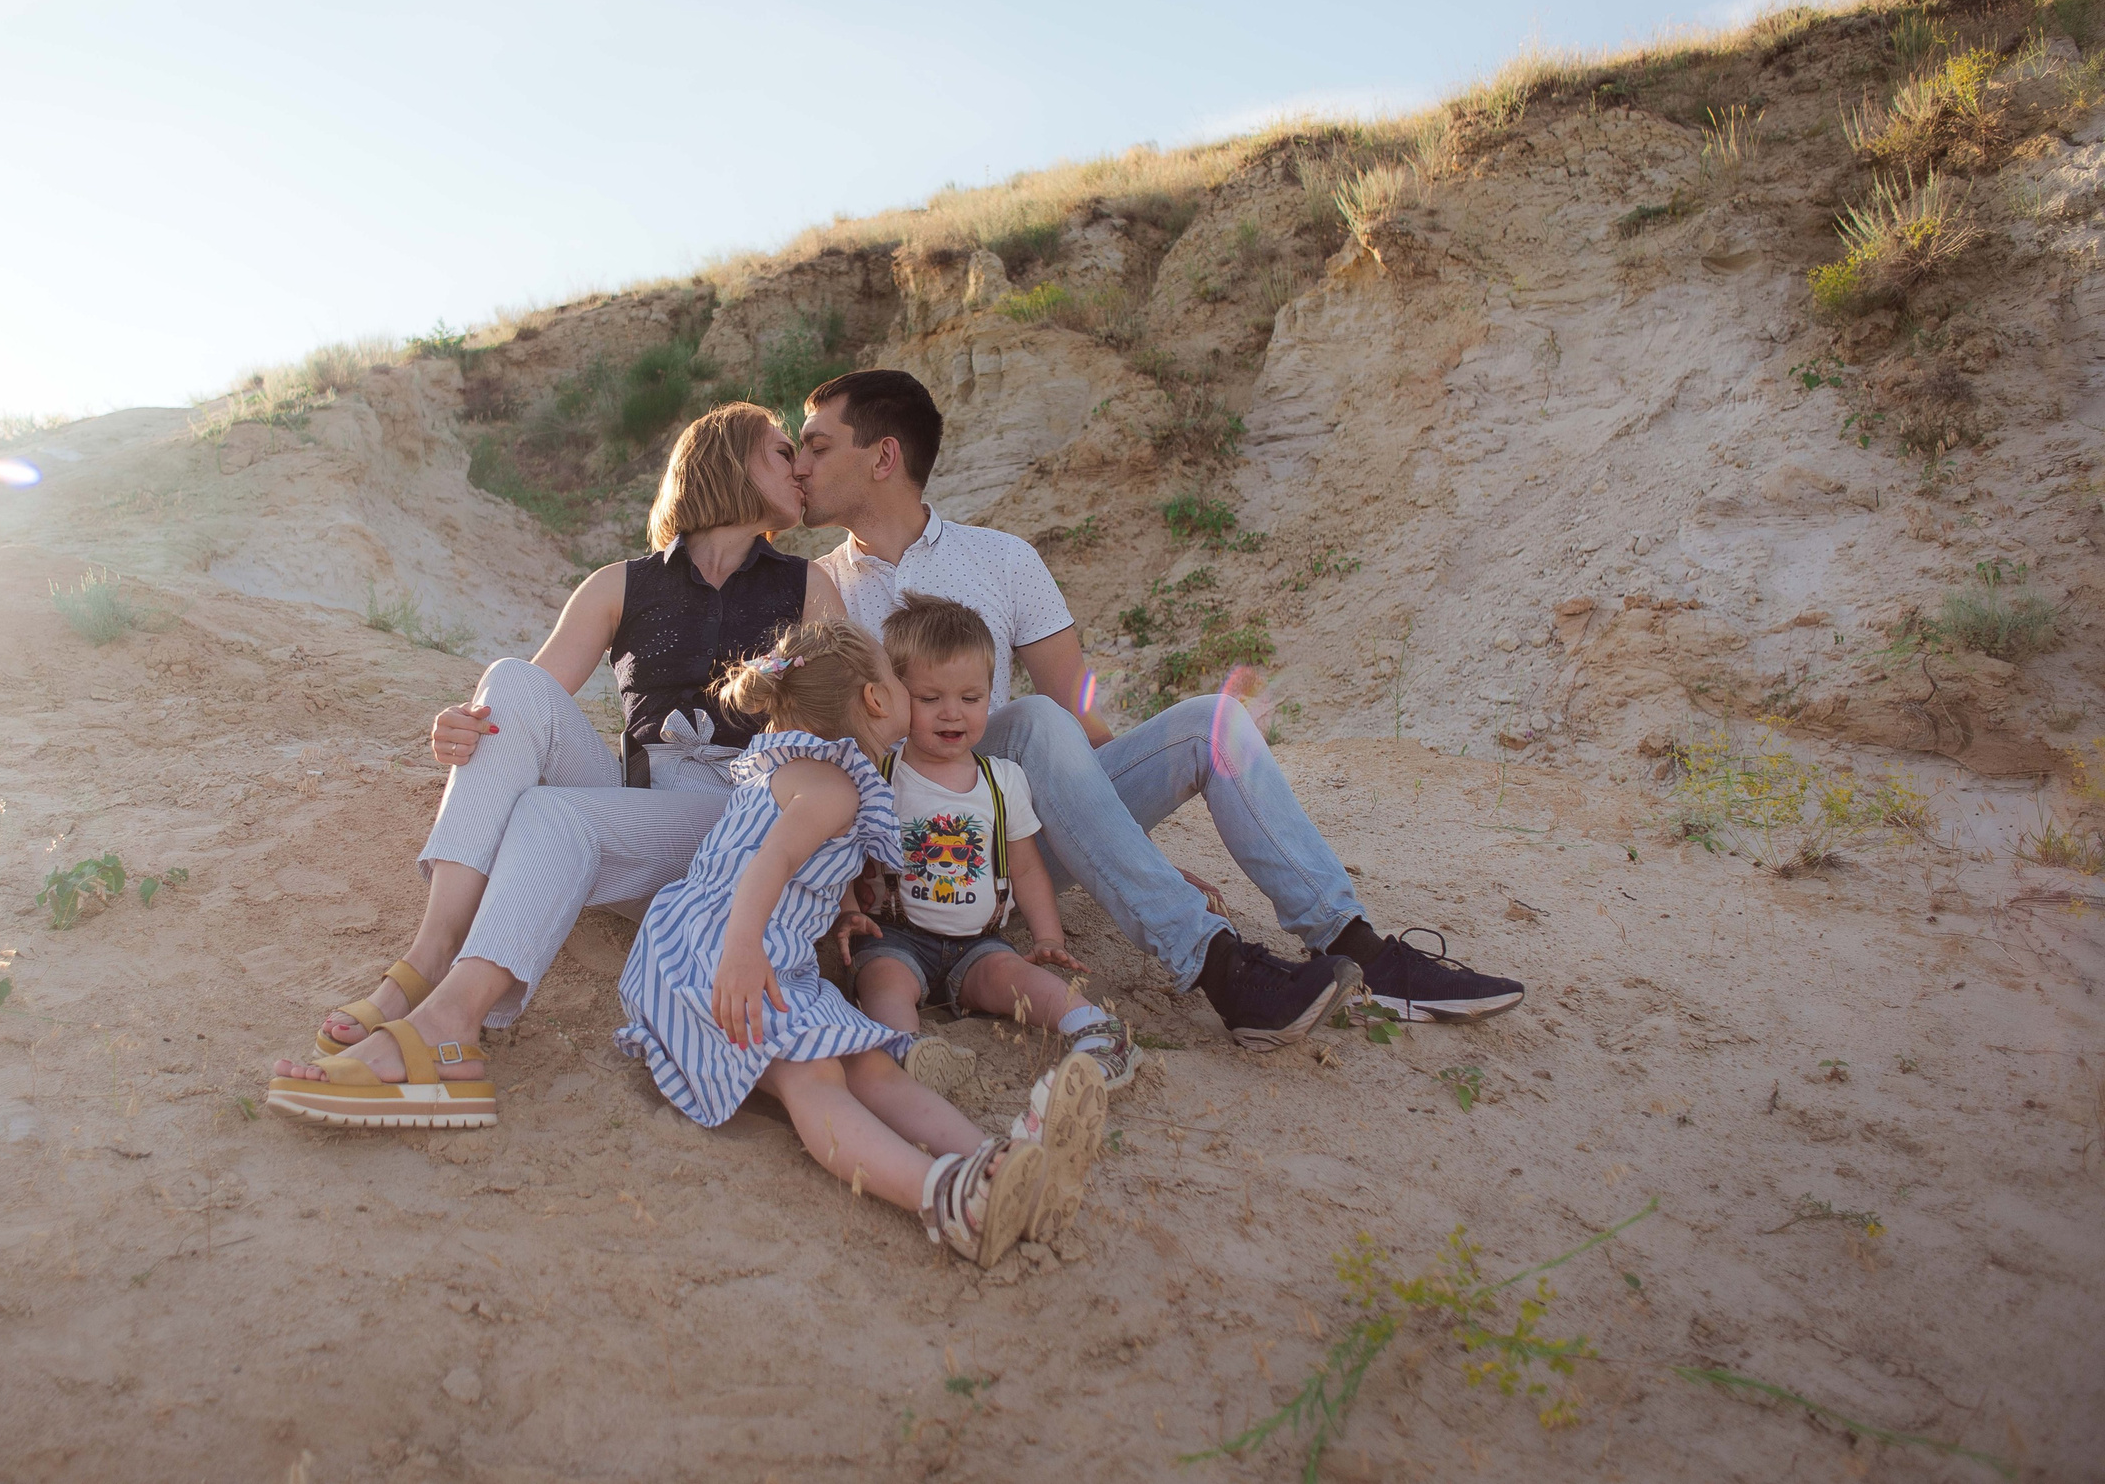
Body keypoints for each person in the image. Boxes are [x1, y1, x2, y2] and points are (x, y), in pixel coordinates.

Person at [792, 368, 1523, 1046]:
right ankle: (1217, 966)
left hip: (1021, 841)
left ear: (883, 457)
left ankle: (1356, 947)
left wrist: (1136, 845)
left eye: (817, 447)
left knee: (1214, 723)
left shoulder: (1004, 559)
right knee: (1036, 724)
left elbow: (1080, 714)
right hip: (916, 854)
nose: (801, 465)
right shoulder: (818, 587)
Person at [267, 402, 842, 1128]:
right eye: (781, 450)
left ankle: (449, 1029)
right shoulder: (621, 583)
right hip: (638, 816)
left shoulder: (807, 586)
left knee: (552, 810)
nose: (799, 468)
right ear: (728, 460)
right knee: (508, 683)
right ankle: (427, 957)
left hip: (738, 820)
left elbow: (842, 733)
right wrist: (466, 727)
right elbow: (530, 707)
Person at [611, 619, 1110, 1267]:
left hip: (756, 951)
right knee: (813, 1075)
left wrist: (833, 911)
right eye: (902, 684)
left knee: (868, 1063)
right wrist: (739, 951)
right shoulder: (832, 788)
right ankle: (943, 1195)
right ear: (878, 700)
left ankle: (994, 1165)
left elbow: (799, 866)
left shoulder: (805, 763)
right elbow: (767, 864)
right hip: (721, 956)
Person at [834, 591, 1140, 1092]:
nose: (951, 714)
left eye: (970, 699)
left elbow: (1025, 868)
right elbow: (845, 849)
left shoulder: (1003, 782)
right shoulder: (880, 774)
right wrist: (849, 907)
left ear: (991, 694)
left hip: (980, 943)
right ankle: (906, 1053)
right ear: (894, 695)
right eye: (930, 699)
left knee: (1016, 979)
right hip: (895, 934)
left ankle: (1096, 1032)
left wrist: (1047, 937)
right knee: (883, 982)